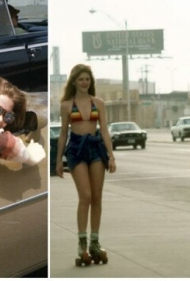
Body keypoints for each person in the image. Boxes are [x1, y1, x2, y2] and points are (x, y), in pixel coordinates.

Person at [56, 64, 116, 266]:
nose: (84, 82)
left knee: (97, 197)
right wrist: (58, 159)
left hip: (95, 147)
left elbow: (105, 130)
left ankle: (94, 242)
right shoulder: (66, 105)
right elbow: (63, 133)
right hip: (76, 149)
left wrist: (111, 155)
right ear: (74, 81)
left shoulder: (98, 102)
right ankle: (81, 243)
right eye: (81, 79)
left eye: (87, 79)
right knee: (86, 196)